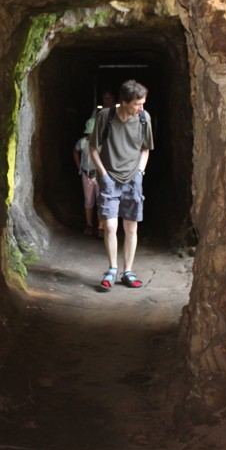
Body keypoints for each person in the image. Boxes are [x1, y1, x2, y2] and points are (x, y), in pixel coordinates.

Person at [89, 79, 153, 291]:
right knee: (109, 226)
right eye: (137, 104)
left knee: (131, 226)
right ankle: (112, 269)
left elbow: (145, 149)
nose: (141, 108)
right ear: (124, 102)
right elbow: (93, 148)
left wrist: (140, 172)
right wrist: (103, 174)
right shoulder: (105, 117)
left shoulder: (144, 118)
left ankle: (128, 271)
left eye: (143, 103)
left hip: (133, 179)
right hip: (110, 179)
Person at [72, 117, 102, 237]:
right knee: (88, 201)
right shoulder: (83, 142)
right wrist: (79, 166)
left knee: (101, 201)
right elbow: (75, 151)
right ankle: (89, 225)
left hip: (99, 175)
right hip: (86, 174)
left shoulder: (102, 143)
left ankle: (101, 227)